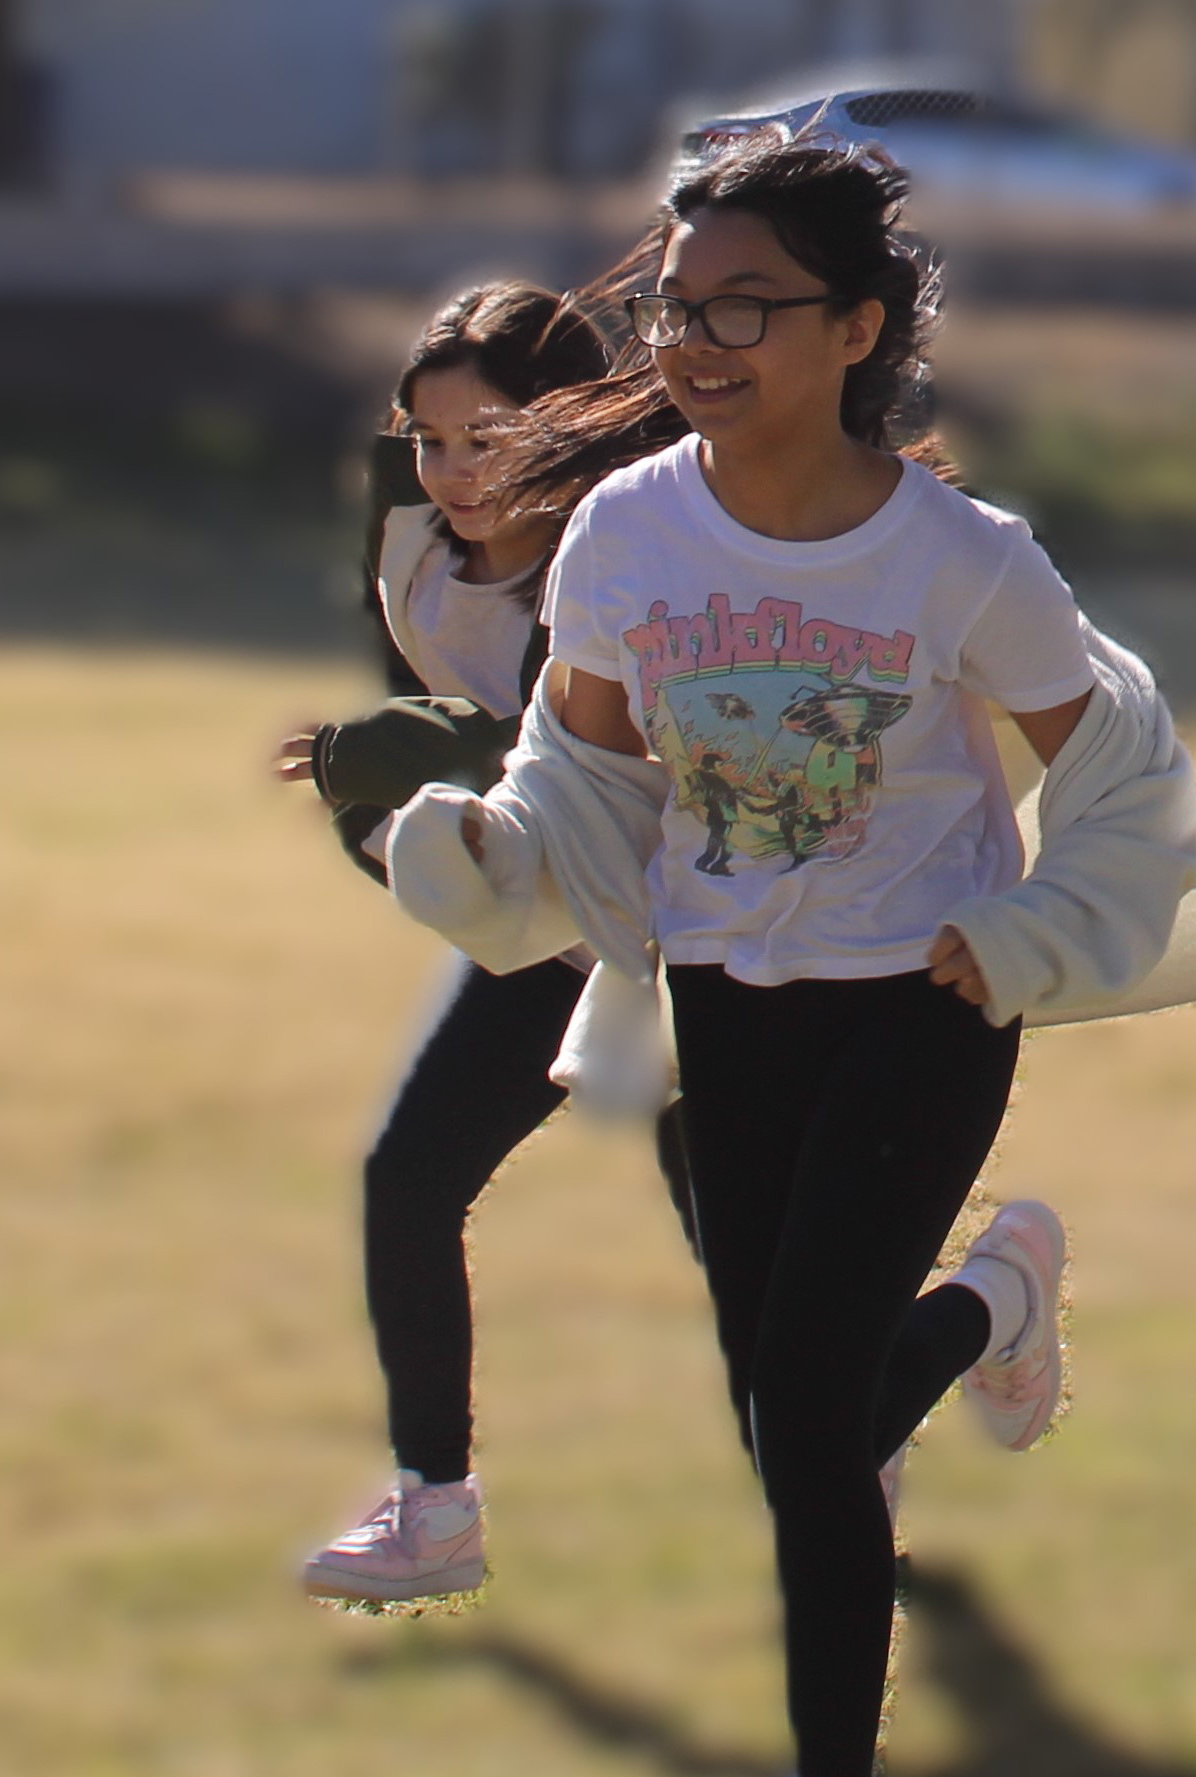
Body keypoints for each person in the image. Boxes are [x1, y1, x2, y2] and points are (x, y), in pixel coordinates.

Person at [435, 137, 1186, 1777]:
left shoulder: (959, 559)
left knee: (801, 1408)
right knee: (802, 1419)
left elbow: (1122, 767)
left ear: (855, 327)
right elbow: (588, 763)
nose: (697, 340)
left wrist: (1022, 933)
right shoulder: (623, 532)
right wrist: (499, 855)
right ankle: (994, 1303)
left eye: (747, 309)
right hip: (721, 1017)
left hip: (920, 1008)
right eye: (677, 307)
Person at [277, 282, 698, 1608]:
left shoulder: (623, 560)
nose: (455, 472)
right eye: (431, 437)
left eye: (490, 439)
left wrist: (392, 755)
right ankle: (434, 1507)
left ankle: (973, 1308)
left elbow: (543, 750)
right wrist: (392, 819)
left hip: (682, 934)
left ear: (570, 431)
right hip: (546, 922)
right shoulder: (406, 523)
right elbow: (423, 701)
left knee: (756, 1259)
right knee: (407, 1175)